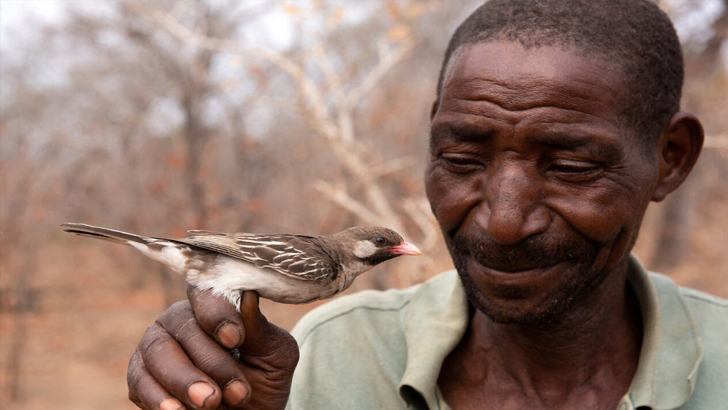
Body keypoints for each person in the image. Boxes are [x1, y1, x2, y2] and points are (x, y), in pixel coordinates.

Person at [126, 1, 728, 409]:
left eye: (570, 165)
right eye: (463, 159)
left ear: (670, 158)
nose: (505, 220)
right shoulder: (325, 360)